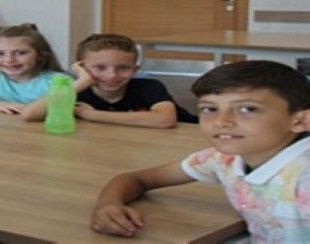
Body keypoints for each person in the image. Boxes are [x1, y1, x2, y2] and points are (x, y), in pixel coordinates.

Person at [91, 60, 310, 241]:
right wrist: (109, 205)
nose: (221, 121)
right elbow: (140, 179)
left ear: (300, 121)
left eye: (247, 109)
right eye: (210, 109)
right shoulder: (223, 159)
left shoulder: (304, 178)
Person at [21, 33, 196, 127]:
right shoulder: (79, 90)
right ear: (82, 67)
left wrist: (91, 115)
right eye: (100, 67)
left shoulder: (149, 87)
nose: (112, 75)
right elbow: (29, 115)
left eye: (123, 68)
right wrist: (81, 82)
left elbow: (165, 120)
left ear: (135, 69)